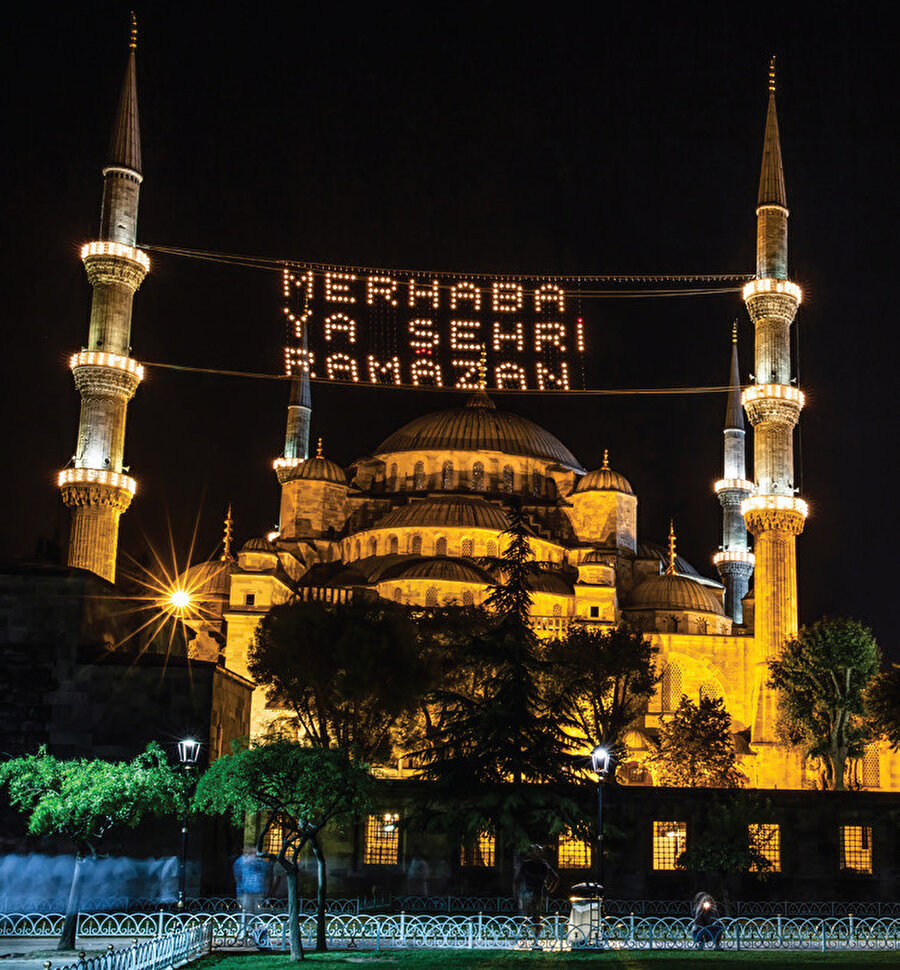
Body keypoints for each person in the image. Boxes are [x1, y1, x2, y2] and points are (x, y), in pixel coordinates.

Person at [513, 845, 559, 950]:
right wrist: (516, 893)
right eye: (537, 851)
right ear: (533, 852)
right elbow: (517, 880)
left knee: (536, 919)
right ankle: (526, 941)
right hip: (527, 894)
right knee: (527, 918)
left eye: (540, 852)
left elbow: (556, 878)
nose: (539, 853)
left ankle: (535, 941)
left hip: (537, 894)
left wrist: (550, 889)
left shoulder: (543, 864)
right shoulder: (527, 864)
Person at [233, 847, 271, 942]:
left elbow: (265, 874)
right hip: (247, 891)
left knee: (254, 914)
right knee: (246, 913)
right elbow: (238, 876)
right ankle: (244, 933)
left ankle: (253, 934)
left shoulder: (257, 861)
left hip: (255, 891)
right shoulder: (242, 861)